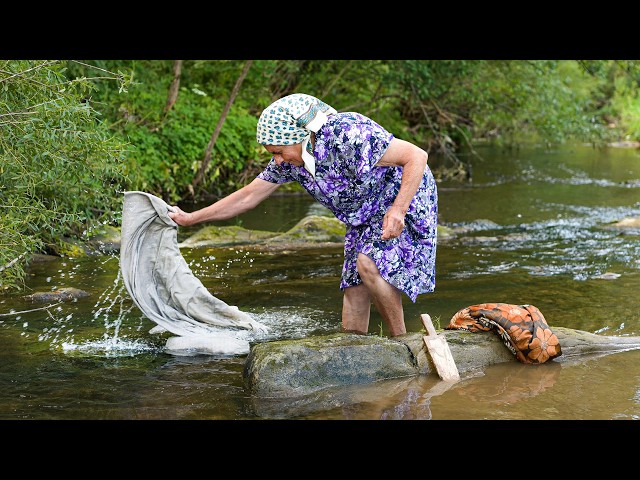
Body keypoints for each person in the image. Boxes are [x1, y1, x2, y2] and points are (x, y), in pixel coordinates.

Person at [168, 93, 438, 337]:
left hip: (403, 196)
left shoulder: (347, 133)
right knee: (355, 286)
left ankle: (403, 342)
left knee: (369, 264)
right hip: (362, 212)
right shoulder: (293, 162)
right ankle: (354, 351)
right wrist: (191, 218)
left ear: (296, 137)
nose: (277, 161)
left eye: (278, 152)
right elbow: (248, 196)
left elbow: (416, 155)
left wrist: (398, 210)